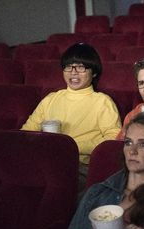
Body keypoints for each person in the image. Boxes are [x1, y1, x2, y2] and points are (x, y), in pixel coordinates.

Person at [21, 43, 121, 197]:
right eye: (69, 66)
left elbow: (113, 139)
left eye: (81, 67)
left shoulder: (102, 102)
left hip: (79, 166)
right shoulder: (51, 99)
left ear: (93, 72)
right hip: (44, 161)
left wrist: (68, 145)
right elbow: (26, 132)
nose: (73, 72)